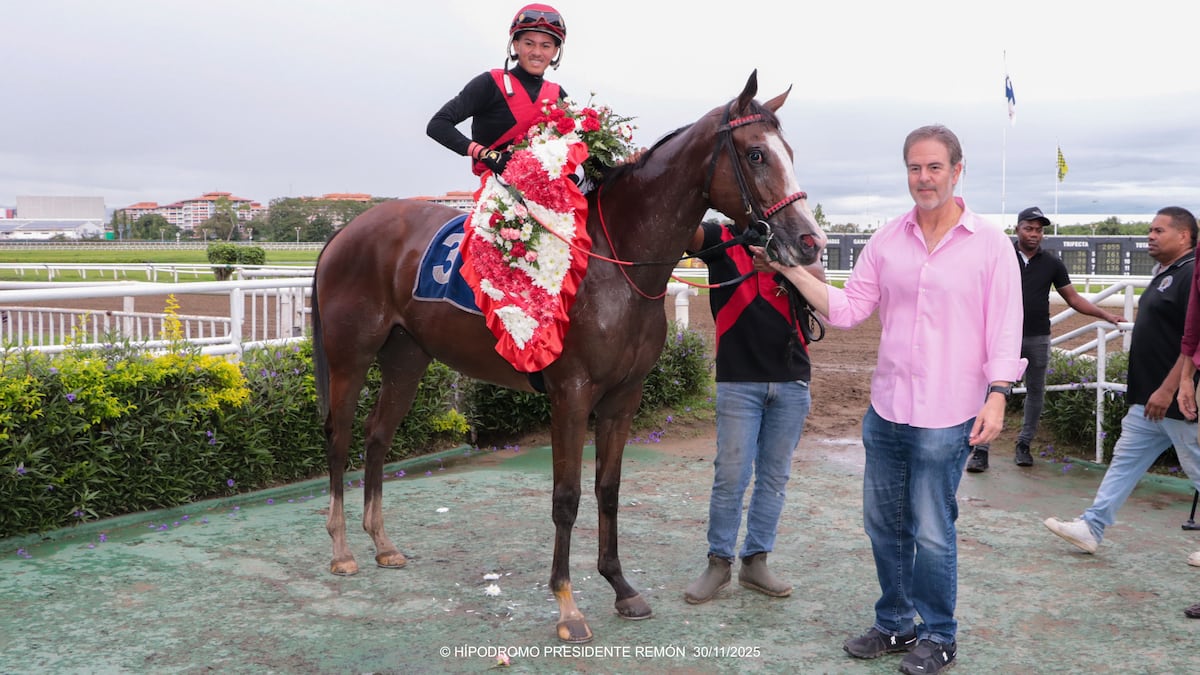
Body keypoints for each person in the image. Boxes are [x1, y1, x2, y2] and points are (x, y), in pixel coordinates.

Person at [760, 125, 1025, 675]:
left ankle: (940, 634)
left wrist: (998, 394)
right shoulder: (886, 240)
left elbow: (1005, 328)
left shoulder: (992, 246)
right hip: (886, 412)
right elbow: (850, 309)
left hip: (948, 415)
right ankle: (897, 622)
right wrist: (788, 270)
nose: (923, 178)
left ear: (957, 171)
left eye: (933, 167)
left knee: (931, 530)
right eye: (914, 167)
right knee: (883, 526)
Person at [1044, 207, 1200, 560]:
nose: (1151, 235)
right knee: (1124, 462)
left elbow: (1193, 339)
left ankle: (1093, 524)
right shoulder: (1168, 272)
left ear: (1185, 236)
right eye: (1149, 229)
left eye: (1159, 230)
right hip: (1148, 399)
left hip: (1176, 400)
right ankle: (1092, 526)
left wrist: (1169, 389)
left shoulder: (1191, 274)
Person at [682, 220, 821, 605]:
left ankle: (756, 561)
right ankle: (719, 562)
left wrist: (781, 262)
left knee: (774, 477)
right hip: (738, 381)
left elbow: (820, 277)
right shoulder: (719, 237)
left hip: (792, 379)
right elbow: (683, 230)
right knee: (731, 475)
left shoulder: (794, 236)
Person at [966, 206, 1124, 472]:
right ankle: (980, 451)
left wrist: (1107, 315)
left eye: (1039, 230)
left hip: (1037, 336)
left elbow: (1073, 299)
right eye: (1029, 228)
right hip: (1001, 337)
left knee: (1035, 391)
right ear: (1017, 229)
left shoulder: (1052, 263)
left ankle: (1024, 445)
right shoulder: (1000, 256)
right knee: (990, 390)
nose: (1034, 234)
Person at [426, 4, 569, 177]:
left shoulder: (558, 95)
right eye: (529, 43)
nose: (537, 52)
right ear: (516, 45)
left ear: (555, 51)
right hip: (496, 189)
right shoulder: (490, 83)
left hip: (547, 188)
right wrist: (485, 154)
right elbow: (438, 124)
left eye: (546, 46)